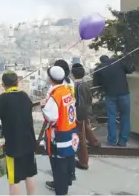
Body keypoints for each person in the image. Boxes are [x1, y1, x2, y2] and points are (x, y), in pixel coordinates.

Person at [0, 71, 37, 195]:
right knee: (29, 175)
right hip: (29, 142)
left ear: (3, 85)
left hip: (14, 145)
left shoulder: (4, 98)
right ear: (17, 83)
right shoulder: (25, 95)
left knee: (14, 180)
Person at [42, 66, 78, 195]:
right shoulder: (67, 89)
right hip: (70, 129)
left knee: (59, 164)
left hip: (59, 134)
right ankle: (67, 182)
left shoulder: (55, 95)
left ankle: (61, 190)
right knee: (68, 158)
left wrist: (43, 106)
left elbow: (51, 116)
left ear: (51, 79)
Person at [93, 55, 135, 147]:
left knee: (111, 117)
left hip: (110, 95)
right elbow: (130, 70)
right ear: (108, 58)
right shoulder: (118, 62)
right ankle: (122, 141)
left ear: (101, 61)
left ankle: (112, 141)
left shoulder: (99, 68)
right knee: (125, 116)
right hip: (124, 94)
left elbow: (96, 84)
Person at [71, 63, 100, 170]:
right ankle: (94, 142)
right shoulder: (86, 84)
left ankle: (83, 162)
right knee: (86, 126)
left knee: (80, 137)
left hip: (79, 113)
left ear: (72, 74)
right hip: (87, 111)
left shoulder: (75, 86)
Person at [53, 59, 76, 181]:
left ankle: (61, 180)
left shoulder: (60, 87)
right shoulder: (70, 82)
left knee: (60, 152)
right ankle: (70, 173)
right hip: (71, 118)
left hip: (61, 122)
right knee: (70, 148)